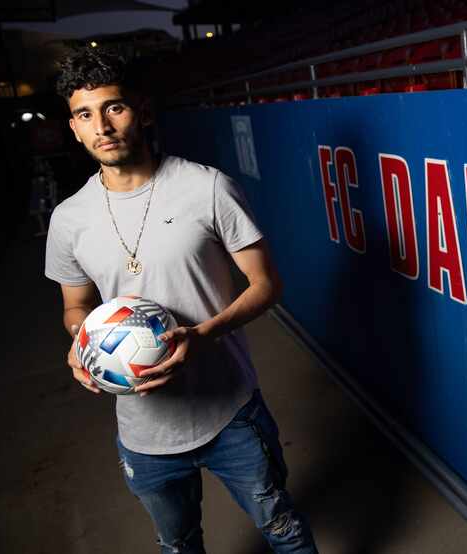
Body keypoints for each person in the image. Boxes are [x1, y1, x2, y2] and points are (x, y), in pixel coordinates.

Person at [44, 47, 318, 553]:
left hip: (230, 412)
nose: (102, 125)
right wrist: (81, 342)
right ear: (74, 127)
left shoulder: (207, 188)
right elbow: (74, 307)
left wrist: (203, 332)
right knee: (178, 545)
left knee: (284, 529)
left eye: (114, 107)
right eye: (86, 114)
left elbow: (266, 285)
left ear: (142, 111)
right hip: (144, 434)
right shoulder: (68, 219)